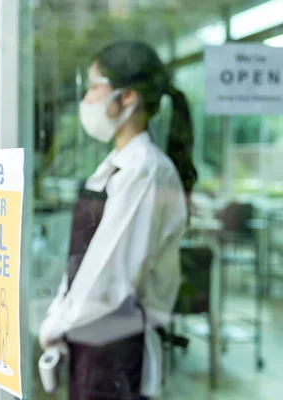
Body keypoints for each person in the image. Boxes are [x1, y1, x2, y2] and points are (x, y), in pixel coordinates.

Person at [39, 41, 197, 400]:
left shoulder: (146, 171)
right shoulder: (117, 165)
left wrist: (56, 325)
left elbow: (109, 277)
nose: (88, 99)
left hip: (120, 349)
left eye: (96, 87)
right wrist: (60, 315)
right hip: (92, 338)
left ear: (127, 98)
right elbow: (85, 263)